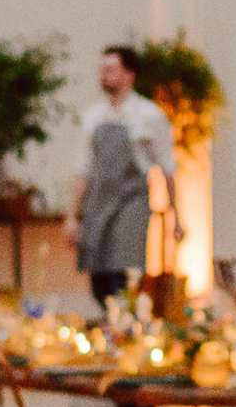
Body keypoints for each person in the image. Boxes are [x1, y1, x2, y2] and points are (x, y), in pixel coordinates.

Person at [70, 44, 173, 306]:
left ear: (129, 75)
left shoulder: (149, 116)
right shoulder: (94, 116)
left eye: (111, 69)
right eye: (102, 70)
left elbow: (168, 168)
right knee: (99, 275)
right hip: (98, 203)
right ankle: (109, 330)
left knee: (124, 273)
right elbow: (83, 169)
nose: (105, 75)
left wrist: (177, 217)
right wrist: (72, 215)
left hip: (131, 203)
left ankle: (122, 331)